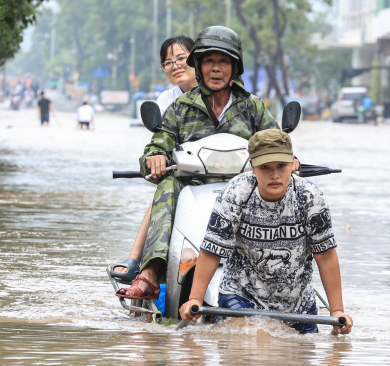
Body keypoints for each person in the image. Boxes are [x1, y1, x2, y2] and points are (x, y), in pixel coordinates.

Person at [114, 26, 282, 301]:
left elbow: (276, 144)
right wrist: (154, 158)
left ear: (235, 67)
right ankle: (152, 273)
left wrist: (289, 159)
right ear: (200, 66)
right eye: (209, 61)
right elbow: (158, 143)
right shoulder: (180, 108)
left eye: (223, 61)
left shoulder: (254, 107)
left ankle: (288, 274)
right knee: (168, 183)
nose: (216, 69)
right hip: (191, 187)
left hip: (245, 189)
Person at [178, 129, 353, 335]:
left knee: (303, 356)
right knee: (248, 345)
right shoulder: (235, 194)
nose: (274, 175)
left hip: (297, 304)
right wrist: (195, 300)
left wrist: (337, 311)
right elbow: (212, 251)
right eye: (265, 167)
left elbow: (325, 256)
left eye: (281, 166)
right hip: (242, 294)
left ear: (293, 163)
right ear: (252, 166)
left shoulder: (310, 197)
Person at [109, 36, 198, 282]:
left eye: (181, 58)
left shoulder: (233, 97)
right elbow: (161, 141)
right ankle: (138, 262)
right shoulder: (167, 102)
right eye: (168, 62)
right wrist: (156, 157)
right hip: (185, 175)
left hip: (226, 175)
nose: (175, 65)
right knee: (165, 190)